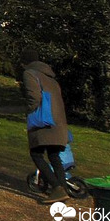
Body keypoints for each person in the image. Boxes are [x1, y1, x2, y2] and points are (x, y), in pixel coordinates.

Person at [21, 48, 70, 204]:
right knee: (54, 156)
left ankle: (56, 188)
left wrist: (29, 111)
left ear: (25, 62)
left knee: (36, 154)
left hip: (43, 121)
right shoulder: (50, 76)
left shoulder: (30, 74)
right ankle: (62, 189)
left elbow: (34, 97)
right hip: (58, 122)